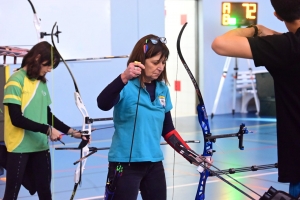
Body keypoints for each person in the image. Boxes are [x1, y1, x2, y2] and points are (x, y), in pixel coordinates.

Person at [97, 34, 211, 200]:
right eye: (156, 62)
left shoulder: (162, 90)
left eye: (163, 62)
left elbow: (168, 130)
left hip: (154, 164)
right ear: (140, 62)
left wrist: (192, 157)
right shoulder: (125, 86)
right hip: (124, 165)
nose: (161, 67)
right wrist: (123, 77)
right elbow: (103, 103)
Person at [211, 0, 300, 198]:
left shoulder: (286, 48)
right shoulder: (288, 45)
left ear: (277, 15)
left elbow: (220, 44)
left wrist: (254, 29)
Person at [2, 41, 86, 200]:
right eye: (49, 65)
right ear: (38, 57)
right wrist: (47, 130)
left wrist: (72, 132)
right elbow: (16, 119)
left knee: (45, 193)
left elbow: (47, 115)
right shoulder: (15, 81)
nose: (49, 69)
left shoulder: (40, 82)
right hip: (19, 147)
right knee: (11, 195)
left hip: (40, 146)